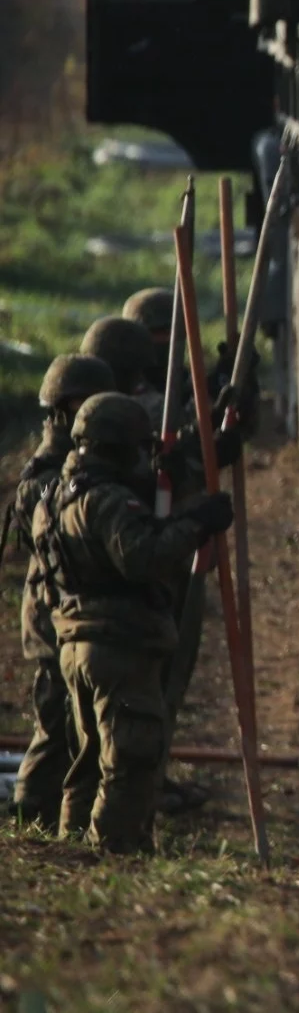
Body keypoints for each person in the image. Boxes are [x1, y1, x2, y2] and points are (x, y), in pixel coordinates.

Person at [33, 393, 234, 853]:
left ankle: (72, 851)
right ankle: (114, 855)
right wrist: (198, 523)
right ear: (120, 447)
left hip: (75, 643)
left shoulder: (57, 494)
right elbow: (142, 557)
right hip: (116, 647)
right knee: (130, 760)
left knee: (87, 763)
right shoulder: (106, 501)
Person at [5, 355, 117, 830]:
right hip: (51, 617)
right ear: (71, 405)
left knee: (71, 726)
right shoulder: (48, 474)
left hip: (63, 613)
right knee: (55, 725)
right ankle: (30, 812)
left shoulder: (68, 462)